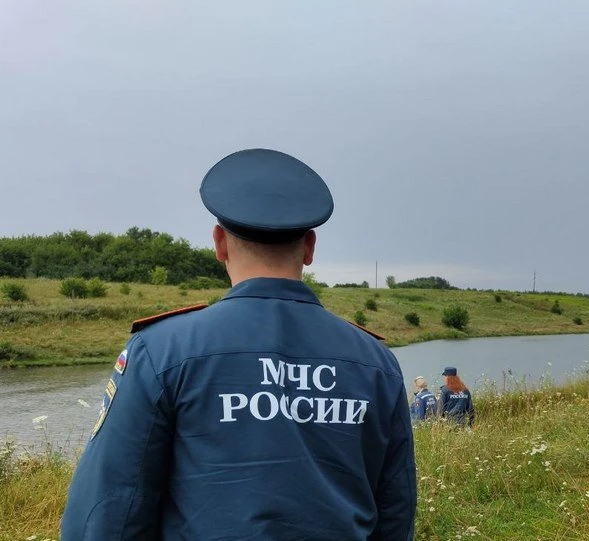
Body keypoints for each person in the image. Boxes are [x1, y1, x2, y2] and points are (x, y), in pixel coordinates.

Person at [61, 148, 416, 540]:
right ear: (309, 247)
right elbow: (395, 512)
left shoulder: (162, 351)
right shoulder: (376, 363)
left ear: (219, 243)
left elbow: (109, 512)